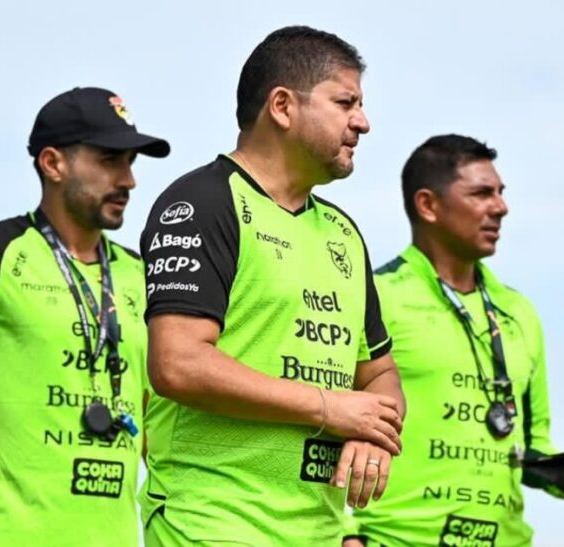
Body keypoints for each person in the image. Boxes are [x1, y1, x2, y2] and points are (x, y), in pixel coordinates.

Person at [138, 26, 405, 546]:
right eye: (345, 103)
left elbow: (379, 373)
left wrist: (376, 431)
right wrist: (329, 407)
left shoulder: (343, 233)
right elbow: (176, 363)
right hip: (212, 524)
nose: (363, 122)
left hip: (319, 531)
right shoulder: (204, 202)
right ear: (282, 106)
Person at [0, 86, 170, 547]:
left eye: (130, 162)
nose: (128, 180)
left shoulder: (140, 274)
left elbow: (155, 421)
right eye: (110, 160)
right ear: (53, 163)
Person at [347, 134, 564, 546]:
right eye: (481, 194)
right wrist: (346, 535)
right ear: (428, 205)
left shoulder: (519, 312)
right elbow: (319, 429)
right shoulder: (374, 296)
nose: (500, 207)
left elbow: (531, 448)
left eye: (500, 193)